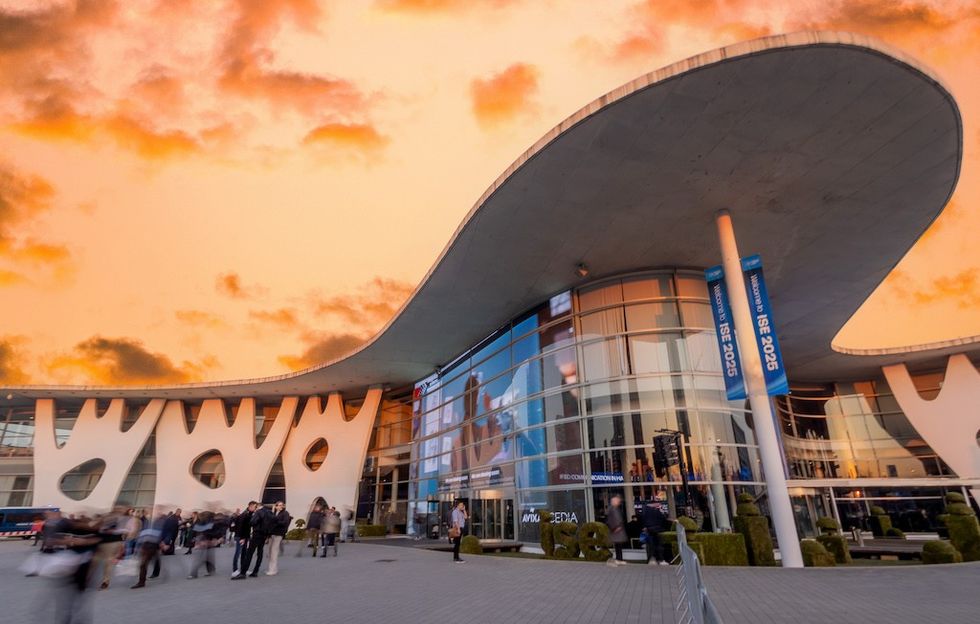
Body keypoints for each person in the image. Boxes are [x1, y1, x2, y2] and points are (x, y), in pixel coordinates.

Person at [235, 503, 274, 579]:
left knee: (249, 553)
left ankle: (243, 573)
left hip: (257, 534)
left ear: (258, 506)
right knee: (260, 552)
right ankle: (255, 571)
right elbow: (273, 523)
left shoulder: (259, 512)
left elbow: (253, 522)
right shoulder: (270, 513)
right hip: (264, 535)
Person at [92, 506, 127, 590]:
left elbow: (124, 531)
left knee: (108, 562)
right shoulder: (105, 519)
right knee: (94, 561)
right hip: (101, 543)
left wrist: (122, 544)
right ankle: (90, 580)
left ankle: (105, 582)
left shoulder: (121, 520)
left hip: (113, 543)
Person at [186, 511, 216, 579]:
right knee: (206, 557)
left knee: (199, 558)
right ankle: (210, 570)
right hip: (203, 540)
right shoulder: (207, 522)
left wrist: (199, 541)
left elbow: (200, 531)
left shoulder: (202, 522)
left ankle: (194, 573)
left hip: (202, 540)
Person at [265, 501, 290, 575]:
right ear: (276, 506)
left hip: (278, 534)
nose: (281, 506)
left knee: (274, 551)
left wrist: (275, 521)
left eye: (282, 505)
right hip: (272, 534)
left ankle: (273, 570)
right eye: (279, 505)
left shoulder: (285, 513)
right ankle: (271, 568)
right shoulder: (274, 513)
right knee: (270, 551)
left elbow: (285, 522)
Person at [641, 500, 670, 566]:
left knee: (650, 546)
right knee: (659, 545)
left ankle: (651, 559)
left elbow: (643, 519)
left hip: (649, 529)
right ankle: (660, 559)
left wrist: (645, 527)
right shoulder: (656, 511)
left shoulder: (645, 511)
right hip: (657, 529)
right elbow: (663, 519)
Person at [232, 501, 256, 575]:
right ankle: (235, 570)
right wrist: (242, 538)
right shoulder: (244, 515)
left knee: (244, 553)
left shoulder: (249, 514)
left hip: (244, 536)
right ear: (250, 507)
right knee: (238, 553)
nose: (256, 509)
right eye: (255, 507)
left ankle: (243, 569)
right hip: (241, 537)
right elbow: (240, 527)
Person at [606, 495, 628, 567]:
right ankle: (618, 559)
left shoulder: (615, 509)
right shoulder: (612, 509)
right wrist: (615, 527)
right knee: (618, 545)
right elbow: (611, 520)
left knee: (618, 545)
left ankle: (619, 559)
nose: (619, 502)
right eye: (617, 501)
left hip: (618, 530)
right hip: (616, 530)